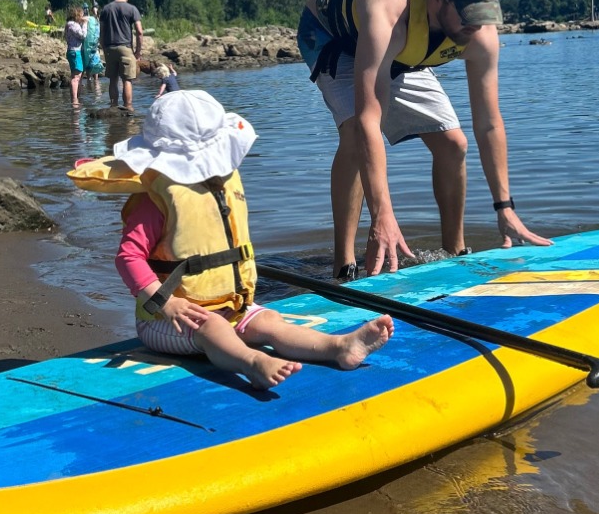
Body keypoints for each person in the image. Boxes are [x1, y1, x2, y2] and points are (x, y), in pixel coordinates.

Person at [112, 90, 395, 390]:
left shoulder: (219, 186)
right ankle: (252, 362)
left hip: (230, 306)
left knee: (270, 320)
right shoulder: (155, 201)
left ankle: (339, 346)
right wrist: (166, 304)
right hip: (167, 321)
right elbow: (128, 257)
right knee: (213, 327)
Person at [299, 0, 551, 279]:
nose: (476, 25)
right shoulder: (387, 8)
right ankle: (344, 267)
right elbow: (368, 123)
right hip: (333, 35)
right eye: (467, 14)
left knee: (453, 144)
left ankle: (455, 252)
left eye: (483, 13)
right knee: (353, 134)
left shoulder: (479, 31)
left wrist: (505, 208)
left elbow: (489, 123)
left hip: (403, 47)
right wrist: (382, 215)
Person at [98, 0, 144, 110]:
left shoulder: (106, 9)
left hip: (109, 48)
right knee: (127, 80)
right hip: (125, 48)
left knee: (113, 80)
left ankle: (113, 107)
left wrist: (104, 47)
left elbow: (101, 32)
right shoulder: (132, 9)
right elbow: (139, 32)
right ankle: (128, 108)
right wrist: (138, 52)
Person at [63, 6, 87, 106]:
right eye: (81, 14)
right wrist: (85, 24)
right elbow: (82, 35)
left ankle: (74, 98)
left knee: (75, 76)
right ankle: (74, 100)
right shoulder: (73, 25)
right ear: (77, 15)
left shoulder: (69, 24)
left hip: (72, 51)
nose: (83, 16)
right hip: (75, 52)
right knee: (76, 77)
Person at [81, 4, 103, 88]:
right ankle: (92, 89)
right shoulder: (91, 19)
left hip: (92, 46)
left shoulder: (94, 19)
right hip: (89, 46)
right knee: (90, 70)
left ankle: (94, 91)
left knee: (93, 71)